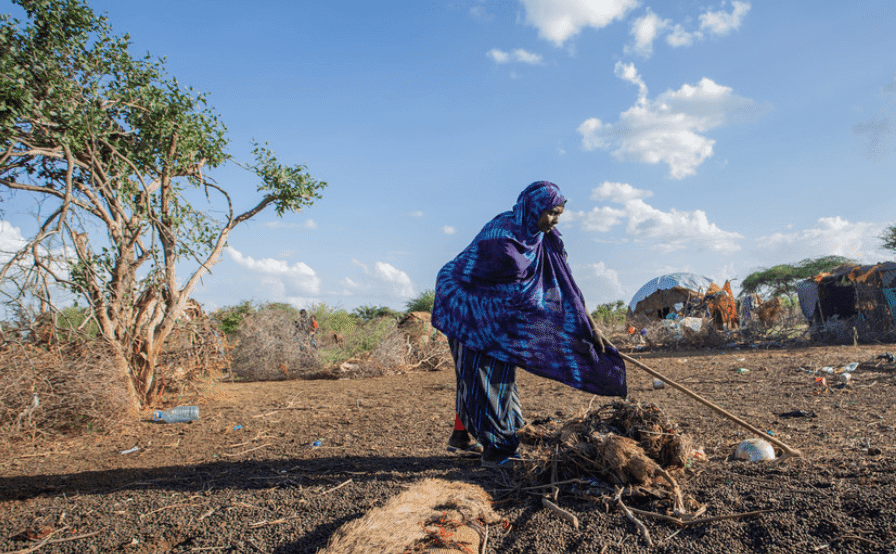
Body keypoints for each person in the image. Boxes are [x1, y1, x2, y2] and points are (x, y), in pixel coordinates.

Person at [431, 181, 627, 468]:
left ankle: (461, 437)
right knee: (487, 378)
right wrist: (568, 329)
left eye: (559, 213)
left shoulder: (545, 238)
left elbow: (566, 285)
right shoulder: (501, 239)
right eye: (550, 213)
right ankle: (497, 450)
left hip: (496, 310)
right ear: (533, 208)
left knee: (477, 375)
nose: (555, 220)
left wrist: (590, 325)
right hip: (464, 304)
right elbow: (523, 298)